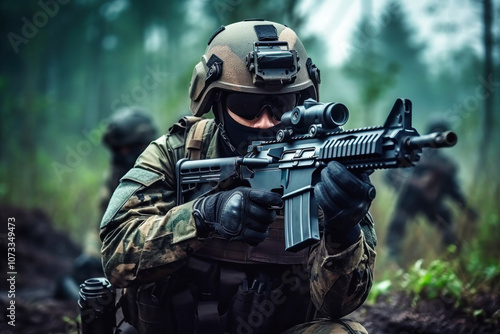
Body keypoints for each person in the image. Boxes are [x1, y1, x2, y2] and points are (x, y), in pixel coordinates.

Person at [100, 20, 377, 334]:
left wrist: (344, 231)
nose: (263, 122)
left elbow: (339, 306)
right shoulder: (174, 153)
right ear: (215, 102)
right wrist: (204, 216)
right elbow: (115, 257)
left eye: (281, 106)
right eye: (246, 106)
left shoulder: (324, 166)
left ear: (301, 103)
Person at [385, 120, 477, 265]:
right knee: (397, 224)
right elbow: (391, 176)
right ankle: (392, 258)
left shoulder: (444, 164)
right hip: (410, 201)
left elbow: (453, 189)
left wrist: (466, 207)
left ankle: (453, 259)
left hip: (432, 203)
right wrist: (411, 182)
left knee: (447, 224)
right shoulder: (411, 154)